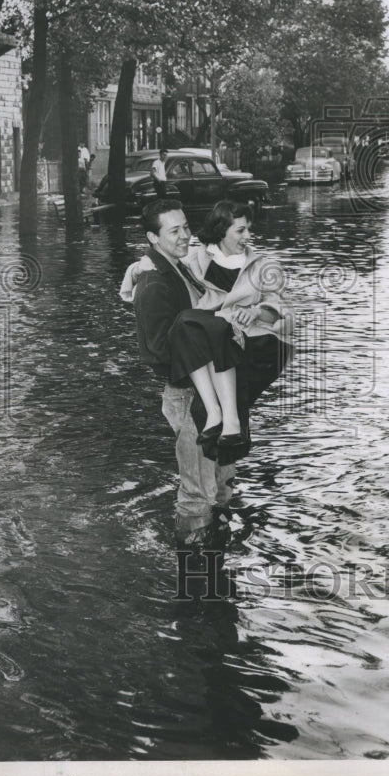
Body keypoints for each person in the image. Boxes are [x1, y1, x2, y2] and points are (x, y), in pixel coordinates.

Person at [121, 200, 292, 474]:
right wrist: (136, 269)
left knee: (222, 478)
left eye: (249, 229)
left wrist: (258, 312)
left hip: (237, 366)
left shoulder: (259, 266)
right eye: (239, 230)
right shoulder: (185, 264)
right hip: (198, 379)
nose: (248, 237)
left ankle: (221, 509)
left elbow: (283, 313)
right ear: (221, 230)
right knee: (204, 485)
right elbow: (159, 265)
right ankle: (223, 421)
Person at [127, 198, 238, 546]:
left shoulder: (179, 267)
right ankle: (192, 565)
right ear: (153, 236)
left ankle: (218, 551)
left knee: (220, 479)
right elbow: (157, 352)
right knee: (196, 491)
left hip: (210, 392)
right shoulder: (155, 285)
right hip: (189, 397)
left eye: (186, 227)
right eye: (174, 230)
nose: (184, 235)